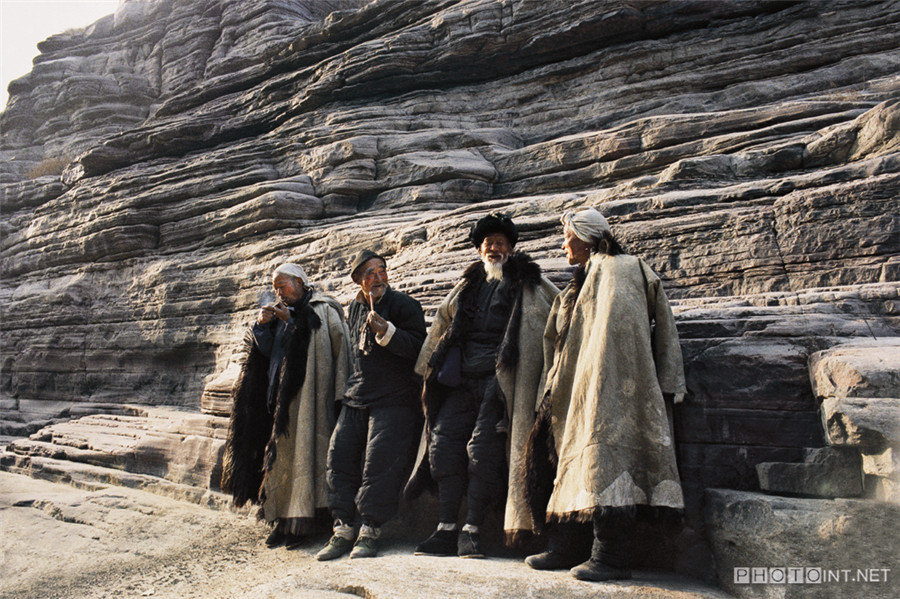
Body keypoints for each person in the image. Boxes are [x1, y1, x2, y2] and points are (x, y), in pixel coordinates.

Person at [524, 208, 686, 581]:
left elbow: (653, 325)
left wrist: (669, 380)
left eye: (567, 236)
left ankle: (610, 557)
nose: (564, 244)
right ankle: (567, 546)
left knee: (609, 465)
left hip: (613, 384)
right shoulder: (578, 283)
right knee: (566, 463)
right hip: (573, 388)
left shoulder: (623, 269)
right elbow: (557, 340)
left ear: (585, 237)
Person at [407, 212, 559, 558]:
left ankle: (472, 530)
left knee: (484, 452)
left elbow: (556, 310)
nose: (494, 248)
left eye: (501, 243)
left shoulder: (527, 282)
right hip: (460, 380)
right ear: (479, 250)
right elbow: (443, 322)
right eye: (489, 243)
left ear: (511, 249)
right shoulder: (467, 285)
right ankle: (446, 528)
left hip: (500, 380)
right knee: (442, 446)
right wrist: (427, 367)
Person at [221, 262, 351, 549]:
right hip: (274, 401)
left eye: (284, 285)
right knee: (276, 464)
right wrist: (263, 327)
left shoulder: (322, 309)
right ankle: (281, 522)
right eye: (275, 287)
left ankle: (301, 526)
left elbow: (328, 350)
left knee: (302, 462)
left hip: (306, 403)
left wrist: (291, 323)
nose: (279, 291)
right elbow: (268, 353)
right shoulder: (281, 313)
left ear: (301, 282)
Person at [315, 250, 427, 560]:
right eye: (369, 273)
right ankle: (342, 529)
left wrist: (387, 332)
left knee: (379, 465)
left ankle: (370, 530)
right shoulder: (353, 308)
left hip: (395, 398)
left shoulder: (406, 306)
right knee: (339, 458)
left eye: (381, 271)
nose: (377, 278)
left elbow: (420, 349)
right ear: (358, 281)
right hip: (358, 395)